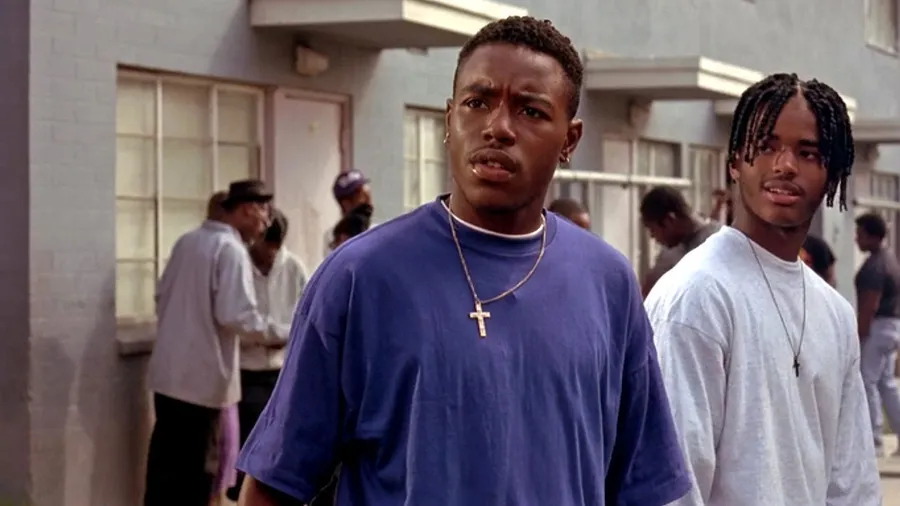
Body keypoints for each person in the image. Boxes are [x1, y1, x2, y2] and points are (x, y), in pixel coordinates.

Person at [236, 16, 690, 506]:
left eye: (530, 111)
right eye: (477, 103)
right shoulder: (359, 277)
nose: (497, 127)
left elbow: (642, 485)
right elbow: (274, 484)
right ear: (449, 120)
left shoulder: (607, 282)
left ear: (569, 140)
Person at [645, 73, 881, 505]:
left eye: (807, 153)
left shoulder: (835, 312)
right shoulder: (696, 296)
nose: (785, 165)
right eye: (766, 146)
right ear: (735, 162)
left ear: (832, 174)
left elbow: (853, 484)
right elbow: (673, 485)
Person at [144, 180, 280, 506]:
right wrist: (280, 333)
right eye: (263, 212)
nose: (266, 221)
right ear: (246, 210)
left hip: (168, 379)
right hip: (202, 385)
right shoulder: (230, 249)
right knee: (195, 477)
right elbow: (237, 315)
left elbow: (161, 296)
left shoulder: (186, 242)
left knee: (164, 472)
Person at [226, 209, 309, 501]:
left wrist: (279, 336)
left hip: (280, 372)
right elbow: (234, 318)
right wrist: (270, 335)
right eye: (264, 246)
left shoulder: (294, 268)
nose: (269, 254)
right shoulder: (239, 264)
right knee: (241, 452)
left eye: (274, 247)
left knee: (272, 453)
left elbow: (305, 318)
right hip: (245, 371)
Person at [854, 211, 900, 457]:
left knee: (867, 381)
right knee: (886, 384)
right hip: (892, 326)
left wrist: (859, 335)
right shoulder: (889, 258)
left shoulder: (874, 266)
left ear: (872, 236)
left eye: (860, 234)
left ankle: (874, 440)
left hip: (877, 326)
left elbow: (869, 304)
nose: (856, 239)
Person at [639, 186, 720, 296]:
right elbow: (648, 290)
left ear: (670, 220)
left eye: (653, 230)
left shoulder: (717, 244)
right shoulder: (671, 250)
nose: (652, 236)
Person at [325, 169, 374, 256]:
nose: (367, 198)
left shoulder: (378, 230)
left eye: (367, 192)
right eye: (360, 194)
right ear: (346, 203)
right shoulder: (333, 236)